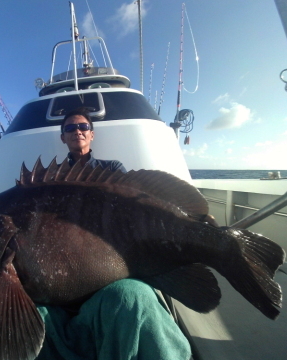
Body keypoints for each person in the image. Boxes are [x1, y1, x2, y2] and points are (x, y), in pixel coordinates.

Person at [33, 107, 191, 360]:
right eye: (70, 128)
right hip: (64, 264)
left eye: (83, 127)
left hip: (107, 258)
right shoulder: (50, 178)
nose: (77, 132)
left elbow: (130, 208)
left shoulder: (112, 169)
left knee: (133, 296)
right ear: (63, 137)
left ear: (92, 134)